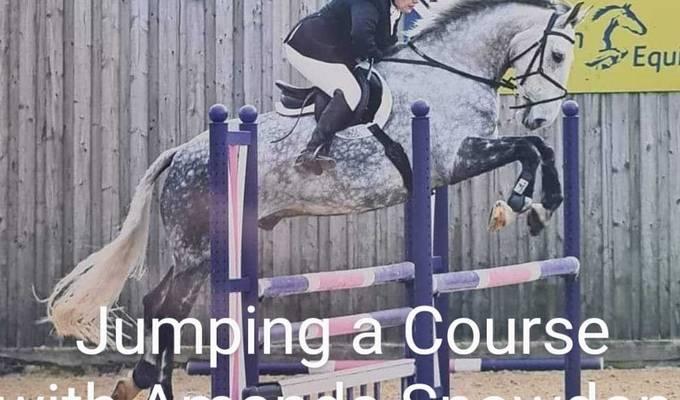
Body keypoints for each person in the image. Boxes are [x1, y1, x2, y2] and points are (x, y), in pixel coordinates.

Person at [284, 0, 419, 174]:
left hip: (333, 50)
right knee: (351, 92)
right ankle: (311, 151)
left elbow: (385, 44)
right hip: (308, 44)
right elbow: (361, 37)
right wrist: (379, 55)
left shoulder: (393, 9)